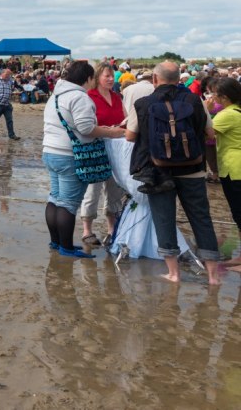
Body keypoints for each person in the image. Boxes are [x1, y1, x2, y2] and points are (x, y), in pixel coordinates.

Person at [126, 61, 220, 284]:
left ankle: (174, 273)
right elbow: (210, 133)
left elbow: (130, 136)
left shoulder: (143, 103)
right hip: (194, 169)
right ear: (179, 79)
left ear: (155, 80)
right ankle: (214, 277)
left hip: (158, 171)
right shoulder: (195, 100)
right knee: (201, 218)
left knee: (164, 219)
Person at [42, 61, 125, 258]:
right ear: (88, 79)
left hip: (50, 152)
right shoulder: (79, 97)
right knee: (68, 204)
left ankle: (56, 243)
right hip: (70, 155)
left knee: (55, 199)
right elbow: (86, 128)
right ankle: (66, 247)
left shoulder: (56, 94)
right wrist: (111, 132)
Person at [79, 64, 125, 247]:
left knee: (115, 190)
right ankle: (87, 230)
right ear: (98, 77)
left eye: (112, 76)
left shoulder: (116, 96)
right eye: (107, 76)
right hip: (95, 148)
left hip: (116, 148)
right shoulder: (89, 97)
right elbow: (86, 125)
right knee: (93, 190)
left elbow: (124, 118)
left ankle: (111, 229)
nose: (111, 79)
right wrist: (106, 130)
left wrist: (120, 128)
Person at [212, 78, 241, 272]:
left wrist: (204, 110)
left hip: (234, 167)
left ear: (225, 97)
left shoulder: (228, 114)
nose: (213, 97)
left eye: (215, 94)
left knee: (239, 213)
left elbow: (206, 132)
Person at [0, 68, 20, 140]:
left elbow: (11, 89)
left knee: (10, 121)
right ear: (2, 74)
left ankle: (12, 135)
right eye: (7, 74)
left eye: (9, 74)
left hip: (7, 105)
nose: (8, 76)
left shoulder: (10, 81)